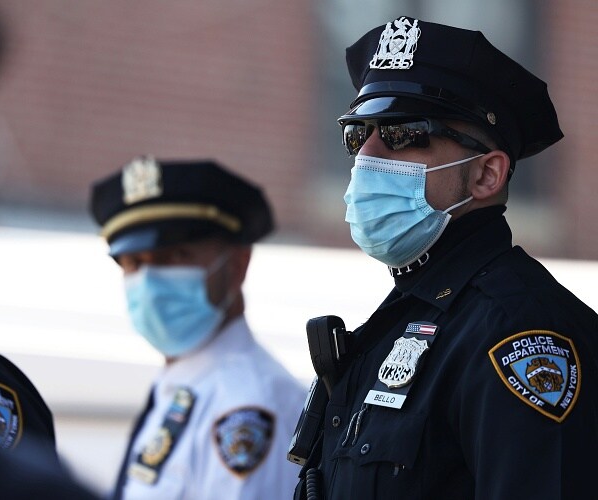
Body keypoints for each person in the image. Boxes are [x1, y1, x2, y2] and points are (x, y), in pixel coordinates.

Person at [292, 15, 598, 500]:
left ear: (486, 176)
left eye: (404, 133)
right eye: (358, 134)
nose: (366, 156)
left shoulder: (520, 331)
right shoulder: (403, 320)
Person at [89, 157, 307, 500]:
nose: (148, 282)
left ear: (236, 267)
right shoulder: (185, 384)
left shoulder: (247, 405)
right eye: (133, 263)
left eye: (173, 257)